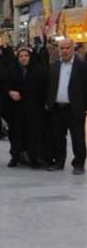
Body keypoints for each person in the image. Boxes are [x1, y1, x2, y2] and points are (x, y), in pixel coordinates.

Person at [45, 38, 87, 175]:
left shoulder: (82, 66)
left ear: (73, 48)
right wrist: (48, 102)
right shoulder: (54, 65)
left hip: (75, 108)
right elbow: (50, 86)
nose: (64, 51)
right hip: (57, 108)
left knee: (78, 138)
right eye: (61, 48)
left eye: (67, 48)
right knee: (57, 137)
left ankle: (79, 164)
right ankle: (59, 162)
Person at [6, 48, 47, 168]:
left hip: (33, 107)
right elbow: (6, 85)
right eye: (21, 56)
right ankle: (15, 157)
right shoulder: (12, 70)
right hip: (16, 108)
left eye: (26, 56)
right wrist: (10, 92)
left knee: (32, 132)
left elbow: (43, 87)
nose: (24, 58)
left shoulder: (38, 70)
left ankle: (33, 158)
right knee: (16, 132)